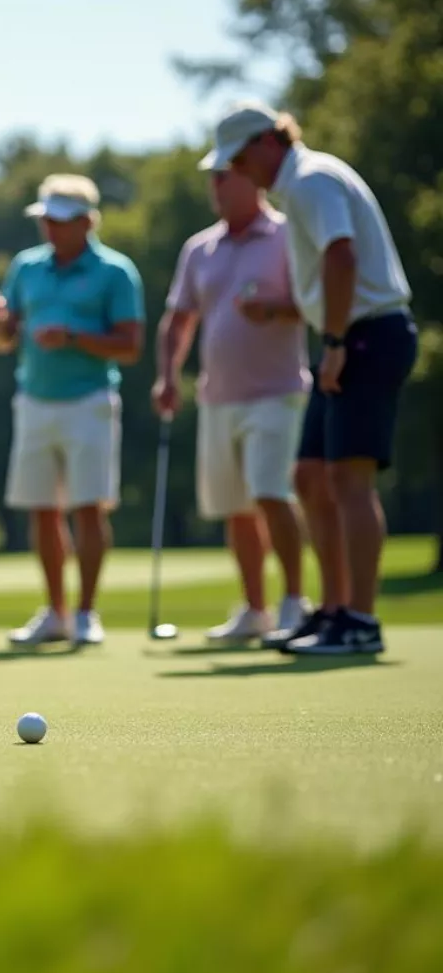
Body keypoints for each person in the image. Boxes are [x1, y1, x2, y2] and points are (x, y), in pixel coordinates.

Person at [200, 102, 418, 656]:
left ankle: (360, 620)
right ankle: (335, 609)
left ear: (271, 141)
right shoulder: (302, 182)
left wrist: (339, 340)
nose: (241, 172)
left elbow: (341, 258)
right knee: (309, 475)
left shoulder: (311, 180)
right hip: (348, 335)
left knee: (349, 479)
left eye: (243, 159)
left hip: (367, 333)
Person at [0, 174, 145, 647]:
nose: (49, 230)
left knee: (88, 508)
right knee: (43, 510)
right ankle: (55, 612)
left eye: (59, 222)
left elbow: (130, 347)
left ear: (87, 222)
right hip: (34, 399)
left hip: (90, 401)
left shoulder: (115, 272)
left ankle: (85, 613)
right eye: (45, 221)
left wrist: (73, 338)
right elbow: (4, 339)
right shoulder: (26, 267)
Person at [153, 166, 311, 644]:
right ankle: (255, 609)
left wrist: (274, 310)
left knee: (271, 494)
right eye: (213, 178)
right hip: (218, 396)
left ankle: (293, 603)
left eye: (226, 177)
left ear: (253, 182)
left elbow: (317, 302)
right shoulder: (200, 247)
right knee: (235, 509)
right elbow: (178, 319)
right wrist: (167, 377)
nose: (216, 187)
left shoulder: (287, 235)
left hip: (277, 391)